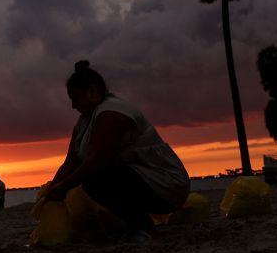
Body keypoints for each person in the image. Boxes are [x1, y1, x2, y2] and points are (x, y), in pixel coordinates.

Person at [44, 61, 190, 241]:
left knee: (95, 177)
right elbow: (71, 163)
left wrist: (64, 187)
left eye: (76, 99)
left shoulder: (113, 113)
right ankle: (132, 225)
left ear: (92, 91)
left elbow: (98, 159)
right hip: (137, 180)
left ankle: (143, 227)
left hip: (165, 185)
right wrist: (52, 190)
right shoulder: (83, 122)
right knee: (93, 179)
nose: (73, 106)